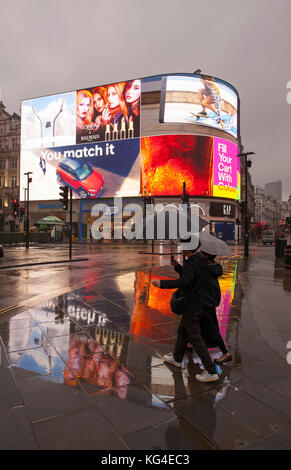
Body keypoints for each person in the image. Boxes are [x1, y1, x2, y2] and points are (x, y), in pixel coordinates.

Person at [151, 237, 221, 383]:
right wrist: (177, 267)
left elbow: (185, 281)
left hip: (192, 304)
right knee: (183, 331)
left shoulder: (193, 262)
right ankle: (177, 358)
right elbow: (192, 277)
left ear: (188, 247)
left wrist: (161, 283)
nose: (181, 247)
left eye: (183, 245)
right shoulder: (199, 260)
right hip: (197, 302)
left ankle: (210, 370)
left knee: (195, 337)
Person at [172, 249, 232, 365]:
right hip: (207, 300)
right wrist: (178, 266)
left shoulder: (205, 268)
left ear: (205, 255)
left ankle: (225, 354)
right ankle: (189, 343)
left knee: (211, 328)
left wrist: (180, 267)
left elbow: (189, 278)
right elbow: (191, 275)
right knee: (192, 325)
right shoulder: (212, 266)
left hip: (205, 301)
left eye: (201, 253)